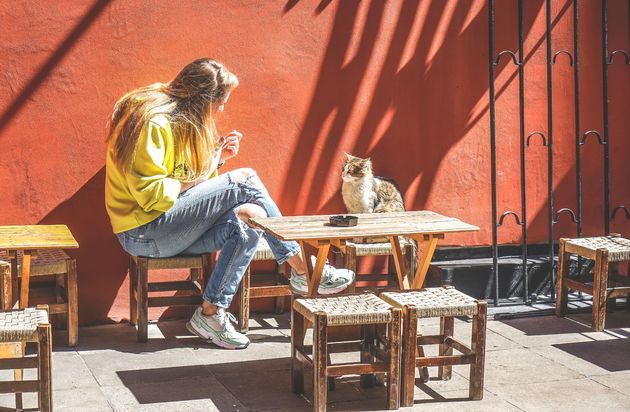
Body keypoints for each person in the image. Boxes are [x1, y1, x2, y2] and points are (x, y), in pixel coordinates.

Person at [104, 58, 354, 349]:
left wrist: (217, 160)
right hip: (144, 233)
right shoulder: (155, 124)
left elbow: (188, 184)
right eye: (221, 102)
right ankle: (301, 268)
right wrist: (219, 174)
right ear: (203, 100)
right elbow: (151, 194)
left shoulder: (182, 124)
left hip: (171, 229)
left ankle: (210, 313)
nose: (222, 109)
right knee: (244, 178)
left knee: (251, 216)